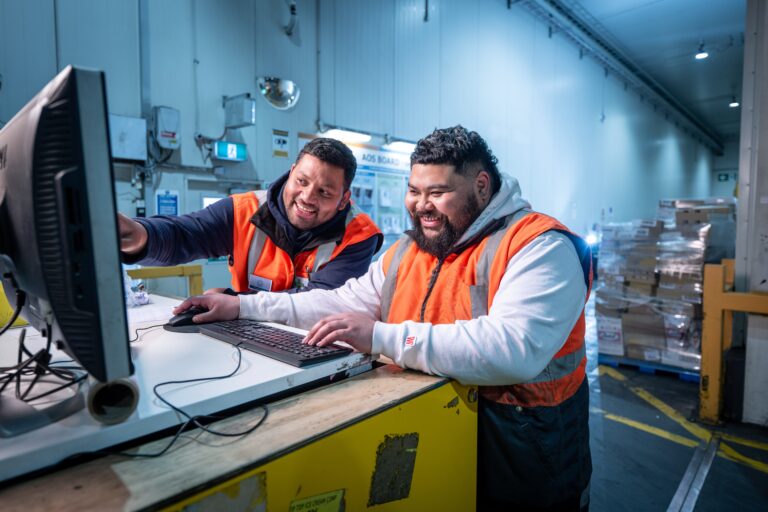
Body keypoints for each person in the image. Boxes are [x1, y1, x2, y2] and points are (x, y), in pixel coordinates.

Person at [176, 126, 593, 511]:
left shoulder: (539, 247)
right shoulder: (408, 251)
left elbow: (511, 351)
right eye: (413, 191)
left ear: (481, 186)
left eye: (438, 192)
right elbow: (338, 303)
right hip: (437, 436)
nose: (421, 206)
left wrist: (381, 337)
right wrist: (244, 307)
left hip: (521, 452)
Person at [118, 137, 383, 294]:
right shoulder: (242, 211)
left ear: (344, 200)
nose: (307, 197)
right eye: (301, 181)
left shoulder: (359, 235)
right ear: (291, 173)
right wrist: (139, 235)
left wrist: (238, 304)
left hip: (318, 355)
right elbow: (183, 235)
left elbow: (320, 302)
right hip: (249, 343)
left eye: (325, 192)